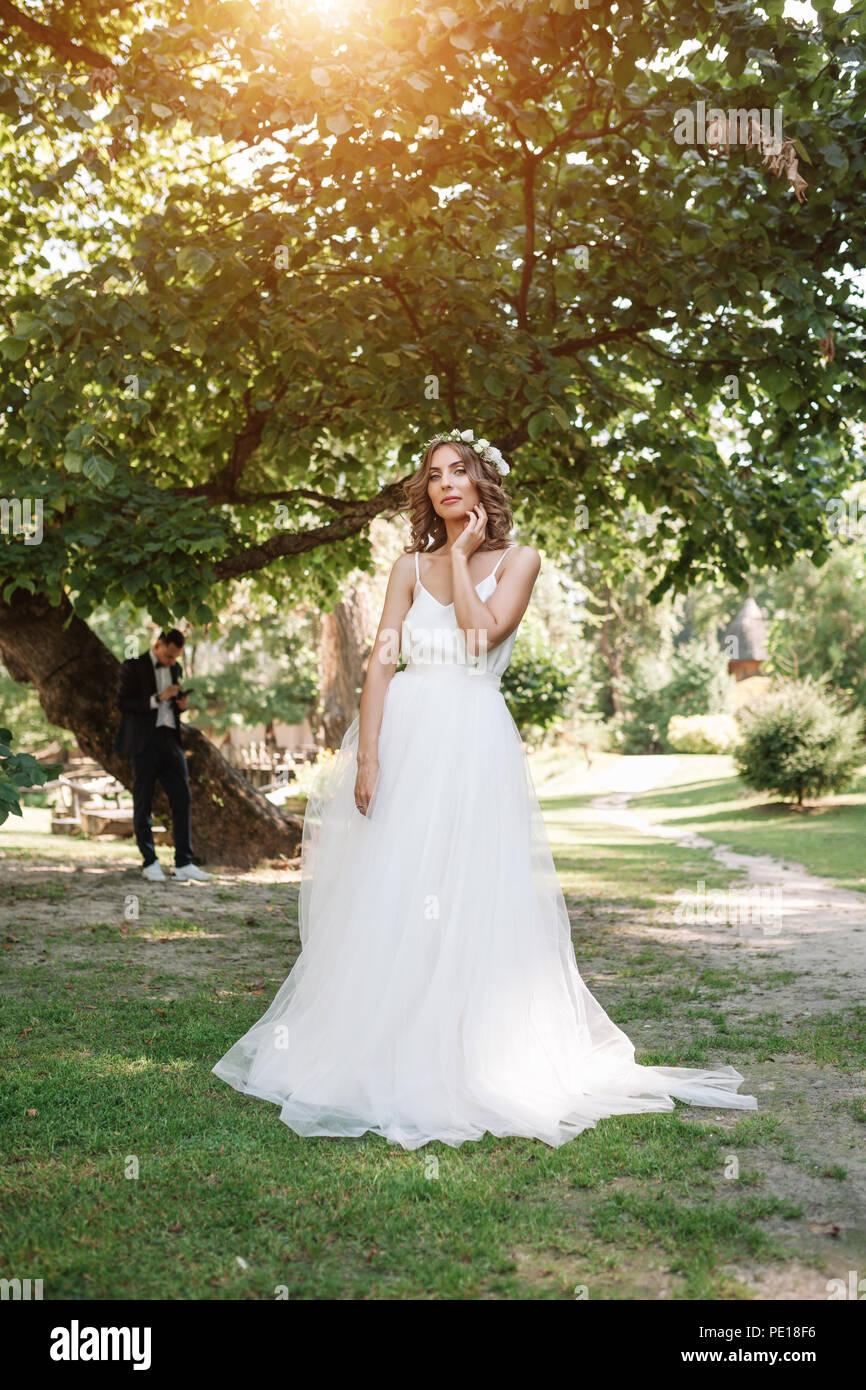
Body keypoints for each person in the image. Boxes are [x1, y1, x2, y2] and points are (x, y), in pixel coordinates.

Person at [211, 429, 756, 1148]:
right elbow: (380, 663)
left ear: (482, 485)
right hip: (406, 734)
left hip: (472, 737)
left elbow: (478, 640)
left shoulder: (520, 561)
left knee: (466, 888)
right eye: (433, 475)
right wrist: (368, 754)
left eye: (458, 472)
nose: (445, 484)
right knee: (399, 886)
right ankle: (382, 1044)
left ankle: (472, 1054)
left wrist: (465, 557)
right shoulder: (406, 567)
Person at [115, 628, 211, 883]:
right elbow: (123, 704)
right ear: (158, 645)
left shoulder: (176, 670)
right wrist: (158, 698)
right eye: (169, 656)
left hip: (171, 740)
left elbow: (174, 705)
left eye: (175, 657)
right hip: (144, 743)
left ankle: (184, 862)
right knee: (143, 802)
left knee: (182, 799)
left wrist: (181, 706)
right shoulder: (133, 666)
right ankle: (149, 861)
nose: (171, 662)